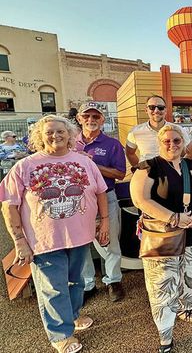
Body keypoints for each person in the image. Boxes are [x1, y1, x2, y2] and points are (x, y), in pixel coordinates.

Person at [0, 115, 109, 353]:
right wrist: (19, 240)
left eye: (61, 131)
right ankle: (60, 334)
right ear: (39, 136)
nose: (56, 136)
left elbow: (101, 191)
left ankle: (72, 317)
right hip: (44, 240)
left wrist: (105, 222)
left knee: (75, 281)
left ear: (70, 135)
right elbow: (8, 204)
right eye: (49, 132)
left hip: (80, 236)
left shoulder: (85, 162)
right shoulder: (25, 166)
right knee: (53, 287)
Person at [130, 124, 192, 352]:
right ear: (159, 142)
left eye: (176, 140)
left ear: (183, 143)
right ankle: (165, 335)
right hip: (162, 238)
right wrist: (173, 217)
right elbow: (140, 199)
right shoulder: (150, 166)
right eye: (167, 140)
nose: (172, 145)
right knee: (162, 287)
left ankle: (187, 306)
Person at [75, 102, 127, 303]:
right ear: (79, 119)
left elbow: (120, 173)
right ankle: (88, 283)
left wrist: (91, 164)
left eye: (95, 117)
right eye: (86, 116)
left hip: (106, 197)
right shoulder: (70, 142)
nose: (91, 120)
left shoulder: (112, 144)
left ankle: (113, 280)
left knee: (110, 240)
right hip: (77, 200)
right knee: (82, 243)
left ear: (102, 120)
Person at [126, 95, 192, 166]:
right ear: (146, 110)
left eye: (160, 107)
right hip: (147, 173)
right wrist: (138, 169)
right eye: (152, 107)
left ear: (165, 110)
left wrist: (181, 167)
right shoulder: (135, 131)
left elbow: (191, 151)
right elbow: (130, 153)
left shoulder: (177, 129)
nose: (156, 111)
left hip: (172, 173)